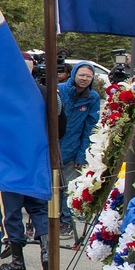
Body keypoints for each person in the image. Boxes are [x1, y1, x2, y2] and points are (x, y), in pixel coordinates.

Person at [58, 61, 100, 236]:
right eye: (81, 75)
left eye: (88, 76)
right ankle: (44, 222)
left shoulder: (93, 98)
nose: (84, 79)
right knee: (50, 186)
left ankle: (65, 222)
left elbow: (91, 128)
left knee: (68, 188)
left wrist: (82, 156)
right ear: (74, 74)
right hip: (52, 146)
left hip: (73, 149)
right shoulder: (59, 90)